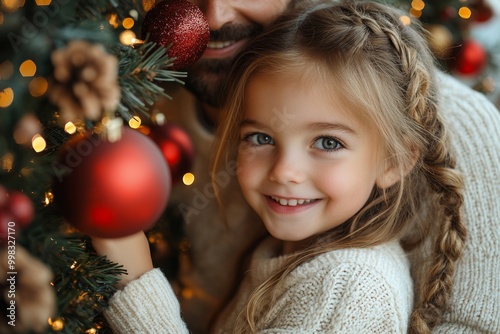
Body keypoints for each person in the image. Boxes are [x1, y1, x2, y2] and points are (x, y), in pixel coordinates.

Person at [93, 1, 469, 332]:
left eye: (327, 142)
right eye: (260, 138)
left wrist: (136, 281)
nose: (284, 171)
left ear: (395, 160)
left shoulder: (349, 288)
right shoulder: (288, 252)